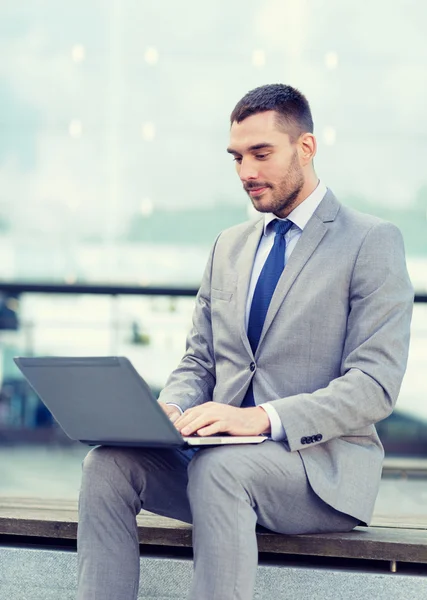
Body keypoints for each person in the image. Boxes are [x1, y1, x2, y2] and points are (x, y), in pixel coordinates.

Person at [77, 84, 414, 600]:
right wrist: (169, 408)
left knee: (222, 468)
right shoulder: (229, 246)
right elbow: (200, 360)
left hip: (319, 474)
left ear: (306, 148)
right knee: (107, 464)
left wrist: (262, 418)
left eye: (261, 154)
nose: (246, 173)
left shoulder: (371, 241)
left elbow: (374, 385)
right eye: (237, 157)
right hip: (218, 459)